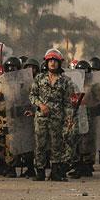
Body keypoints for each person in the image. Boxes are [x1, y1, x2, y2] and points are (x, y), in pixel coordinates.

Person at [28, 49, 75, 181]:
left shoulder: (65, 81)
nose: (52, 63)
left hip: (57, 118)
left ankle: (55, 172)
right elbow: (32, 95)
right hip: (41, 117)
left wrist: (69, 119)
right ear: (46, 62)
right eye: (50, 61)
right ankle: (40, 171)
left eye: (55, 61)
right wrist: (40, 105)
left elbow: (68, 102)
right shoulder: (39, 78)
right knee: (40, 144)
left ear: (59, 63)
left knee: (57, 145)